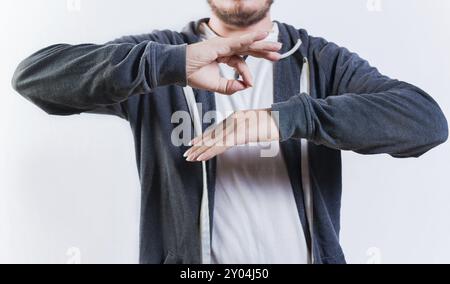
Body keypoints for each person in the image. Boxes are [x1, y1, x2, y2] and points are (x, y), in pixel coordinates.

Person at [11, 0, 448, 264]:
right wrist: (171, 63)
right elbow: (36, 79)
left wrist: (284, 119)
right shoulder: (159, 58)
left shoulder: (319, 61)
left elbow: (425, 122)